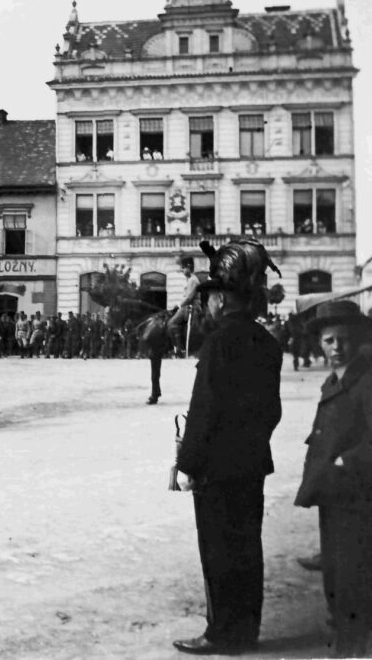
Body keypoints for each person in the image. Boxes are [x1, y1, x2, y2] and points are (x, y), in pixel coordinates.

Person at [173, 238, 283, 655]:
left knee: (218, 553)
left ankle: (221, 634)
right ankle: (247, 629)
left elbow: (205, 411)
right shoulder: (267, 343)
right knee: (247, 549)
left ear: (220, 298)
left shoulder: (218, 343)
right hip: (251, 464)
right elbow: (271, 412)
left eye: (211, 297)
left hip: (215, 469)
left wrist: (187, 464)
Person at [294, 300, 372, 658]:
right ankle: (344, 631)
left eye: (343, 339)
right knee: (335, 569)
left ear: (356, 340)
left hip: (356, 493)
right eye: (329, 341)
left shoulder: (366, 380)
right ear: (320, 344)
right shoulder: (334, 379)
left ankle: (351, 646)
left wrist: (346, 461)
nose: (336, 347)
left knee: (351, 573)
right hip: (333, 492)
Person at [169, 256, 201, 357]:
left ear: (188, 267)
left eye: (183, 268)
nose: (182, 270)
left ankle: (179, 349)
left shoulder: (193, 280)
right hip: (188, 307)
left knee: (171, 323)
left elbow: (188, 298)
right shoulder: (191, 280)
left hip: (191, 308)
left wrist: (178, 305)